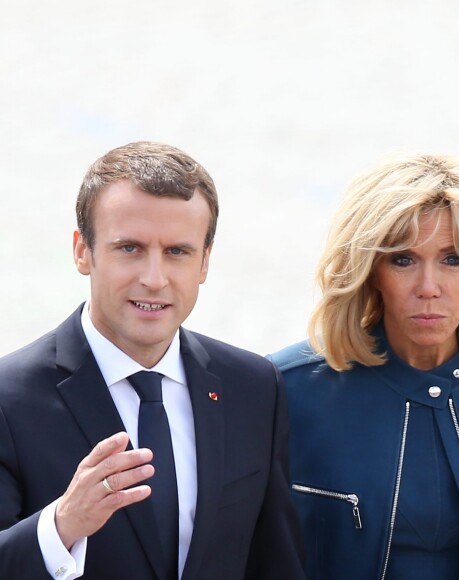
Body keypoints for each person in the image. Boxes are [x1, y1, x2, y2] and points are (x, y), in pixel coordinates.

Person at [0, 141, 305, 580]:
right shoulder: (9, 401)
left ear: (205, 261)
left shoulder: (254, 387)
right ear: (82, 251)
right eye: (130, 248)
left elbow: (275, 563)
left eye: (177, 252)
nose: (154, 278)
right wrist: (61, 526)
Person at [270, 154, 459, 580]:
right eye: (403, 260)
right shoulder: (288, 387)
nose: (429, 289)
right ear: (372, 271)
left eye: (453, 260)